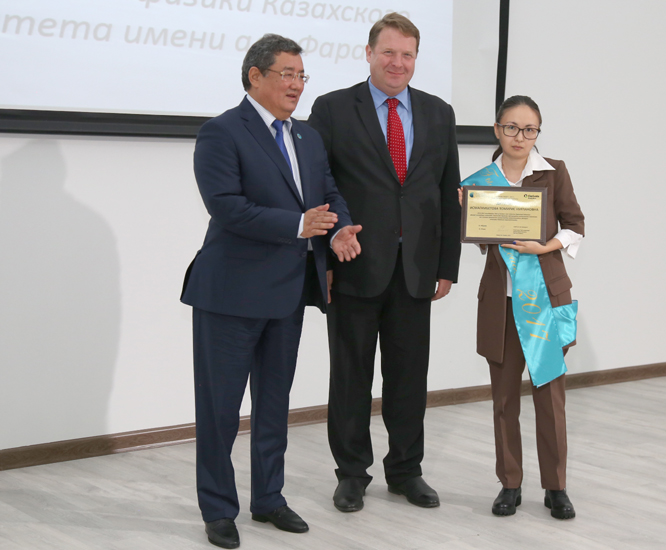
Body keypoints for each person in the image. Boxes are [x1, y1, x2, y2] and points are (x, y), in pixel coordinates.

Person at [180, 34, 362, 549]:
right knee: (220, 410)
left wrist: (339, 229)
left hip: (287, 293)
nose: (297, 85)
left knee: (274, 405)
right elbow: (226, 206)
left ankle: (269, 499)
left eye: (302, 76)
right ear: (255, 76)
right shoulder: (221, 132)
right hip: (230, 295)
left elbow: (328, 193)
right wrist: (297, 225)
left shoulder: (307, 137)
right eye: (287, 74)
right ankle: (218, 509)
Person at [307, 13, 461, 513]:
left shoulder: (438, 113)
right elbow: (315, 185)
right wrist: (325, 256)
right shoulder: (332, 109)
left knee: (409, 380)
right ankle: (352, 474)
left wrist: (448, 264)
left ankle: (406, 471)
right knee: (350, 378)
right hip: (353, 266)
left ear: (416, 59)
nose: (398, 63)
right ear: (369, 53)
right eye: (389, 52)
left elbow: (447, 192)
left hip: (416, 269)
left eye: (407, 54)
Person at [459, 96, 585, 519]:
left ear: (537, 133)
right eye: (511, 127)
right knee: (504, 399)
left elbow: (575, 225)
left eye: (529, 129)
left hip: (546, 301)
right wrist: (466, 214)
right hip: (502, 304)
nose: (520, 137)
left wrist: (544, 246)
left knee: (550, 399)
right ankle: (509, 483)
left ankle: (556, 487)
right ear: (497, 129)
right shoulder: (478, 182)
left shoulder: (554, 172)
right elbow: (480, 240)